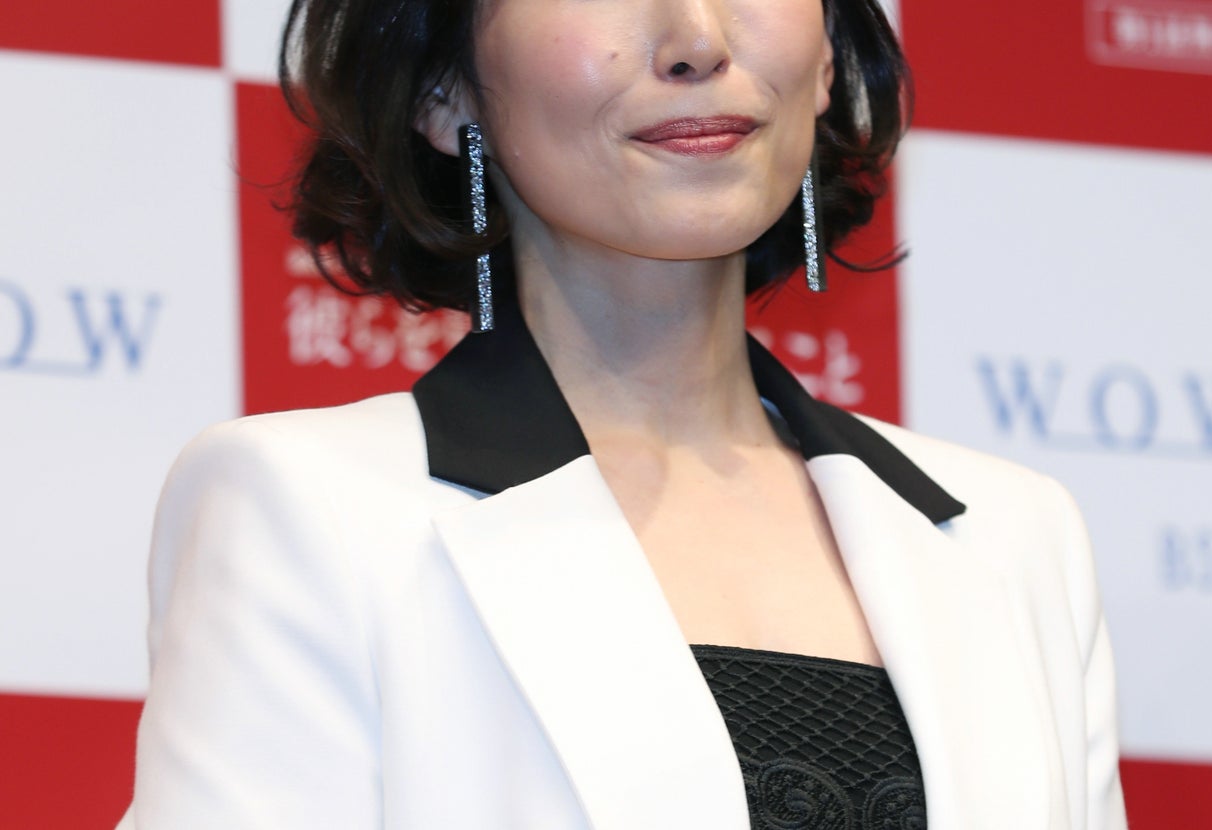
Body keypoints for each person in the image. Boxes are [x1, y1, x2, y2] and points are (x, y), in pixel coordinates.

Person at [117, 0, 1128, 827]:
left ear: (827, 57)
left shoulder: (1015, 537)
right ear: (443, 88)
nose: (698, 38)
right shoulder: (309, 510)